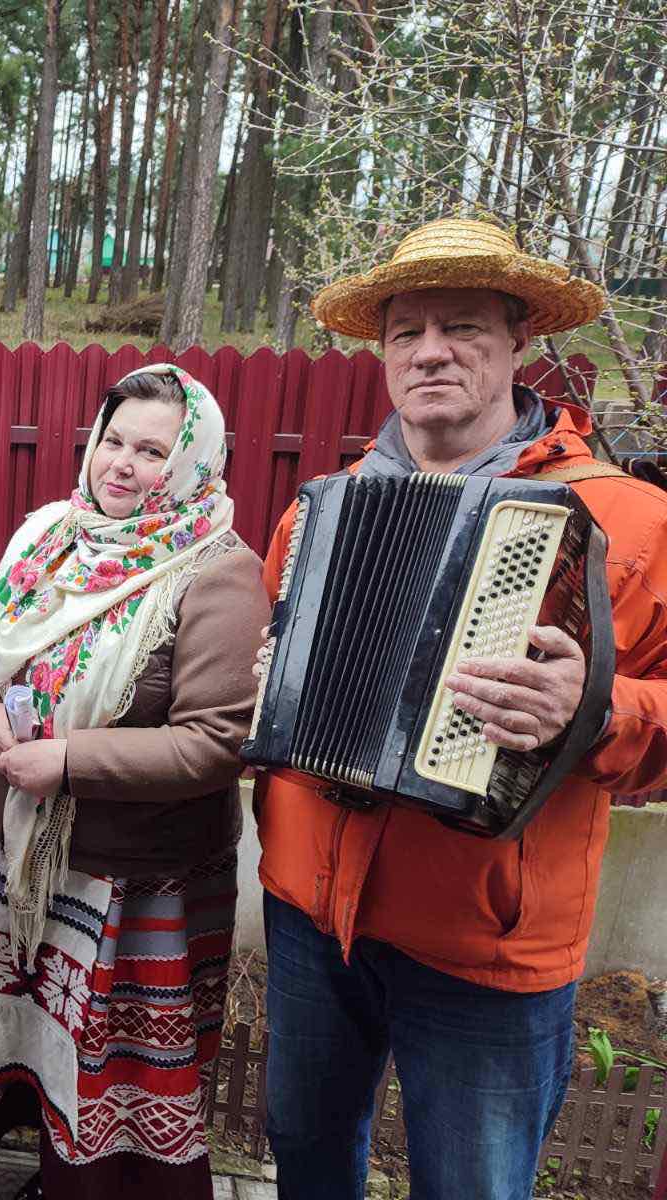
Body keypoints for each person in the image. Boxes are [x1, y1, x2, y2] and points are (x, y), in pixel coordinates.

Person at [256, 217, 667, 1200]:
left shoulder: (629, 519)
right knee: (307, 1162)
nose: (430, 351)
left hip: (490, 940)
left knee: (472, 1187)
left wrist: (597, 706)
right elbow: (267, 684)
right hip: (308, 915)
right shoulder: (320, 506)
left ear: (517, 340)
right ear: (382, 352)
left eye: (462, 325)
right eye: (406, 330)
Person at [0, 364, 266, 1199]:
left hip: (136, 885)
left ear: (194, 462)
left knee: (116, 1081)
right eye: (114, 441)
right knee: (43, 1048)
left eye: (152, 451)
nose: (120, 465)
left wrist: (66, 761)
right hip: (28, 863)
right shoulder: (52, 536)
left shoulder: (219, 572)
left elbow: (215, 743)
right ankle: (59, 1180)